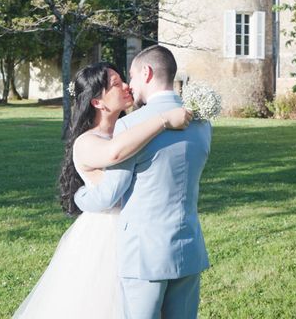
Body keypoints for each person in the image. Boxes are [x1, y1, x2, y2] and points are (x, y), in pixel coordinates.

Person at [13, 61, 191, 319]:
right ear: (98, 102)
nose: (128, 86)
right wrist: (163, 119)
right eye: (117, 83)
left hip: (143, 232)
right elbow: (115, 153)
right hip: (105, 237)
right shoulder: (87, 142)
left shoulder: (132, 129)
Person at [75, 45, 212, 319]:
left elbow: (110, 194)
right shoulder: (202, 122)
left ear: (147, 73)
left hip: (146, 255)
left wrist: (79, 195)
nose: (129, 85)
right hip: (189, 248)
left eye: (132, 77)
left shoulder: (130, 127)